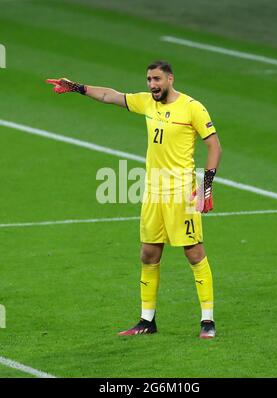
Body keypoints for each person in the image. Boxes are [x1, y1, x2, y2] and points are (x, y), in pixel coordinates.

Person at [46, 60, 222, 339]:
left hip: (180, 193)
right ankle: (147, 321)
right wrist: (77, 87)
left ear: (170, 79)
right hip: (152, 193)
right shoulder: (146, 103)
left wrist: (206, 187)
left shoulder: (192, 107)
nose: (152, 84)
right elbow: (109, 95)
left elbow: (214, 145)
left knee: (194, 253)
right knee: (148, 254)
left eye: (156, 79)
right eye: (149, 80)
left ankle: (207, 321)